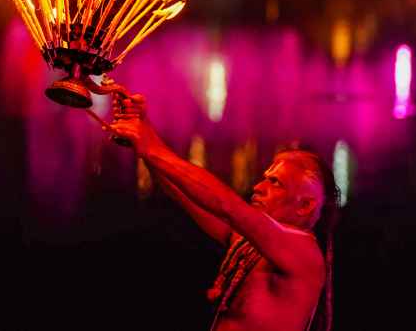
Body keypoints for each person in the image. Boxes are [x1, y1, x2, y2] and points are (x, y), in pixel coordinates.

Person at [105, 92, 340, 331]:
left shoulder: (303, 252)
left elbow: (227, 206)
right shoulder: (249, 244)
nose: (258, 188)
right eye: (264, 179)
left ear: (305, 206)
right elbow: (184, 194)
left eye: (275, 182)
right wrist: (144, 133)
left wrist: (152, 148)